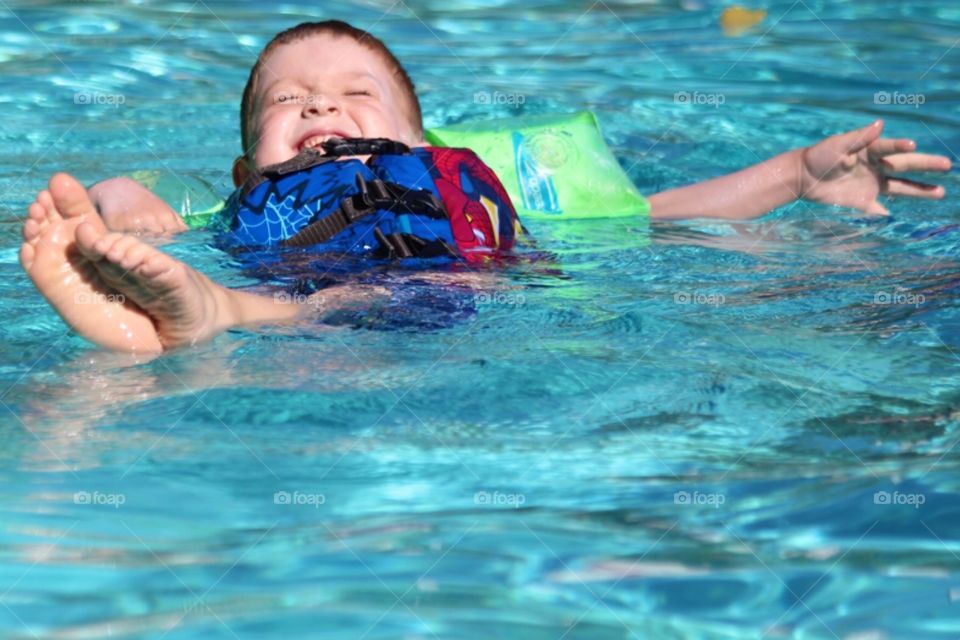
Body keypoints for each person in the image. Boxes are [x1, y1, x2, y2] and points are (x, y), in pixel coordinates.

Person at [19, 20, 952, 353]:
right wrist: (111, 205)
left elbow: (648, 220)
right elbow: (132, 214)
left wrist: (793, 176)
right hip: (306, 313)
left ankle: (203, 320)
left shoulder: (474, 193)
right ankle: (199, 317)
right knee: (313, 319)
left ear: (424, 143)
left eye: (354, 95)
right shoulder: (230, 206)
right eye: (288, 103)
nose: (320, 110)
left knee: (754, 270)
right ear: (245, 165)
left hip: (502, 303)